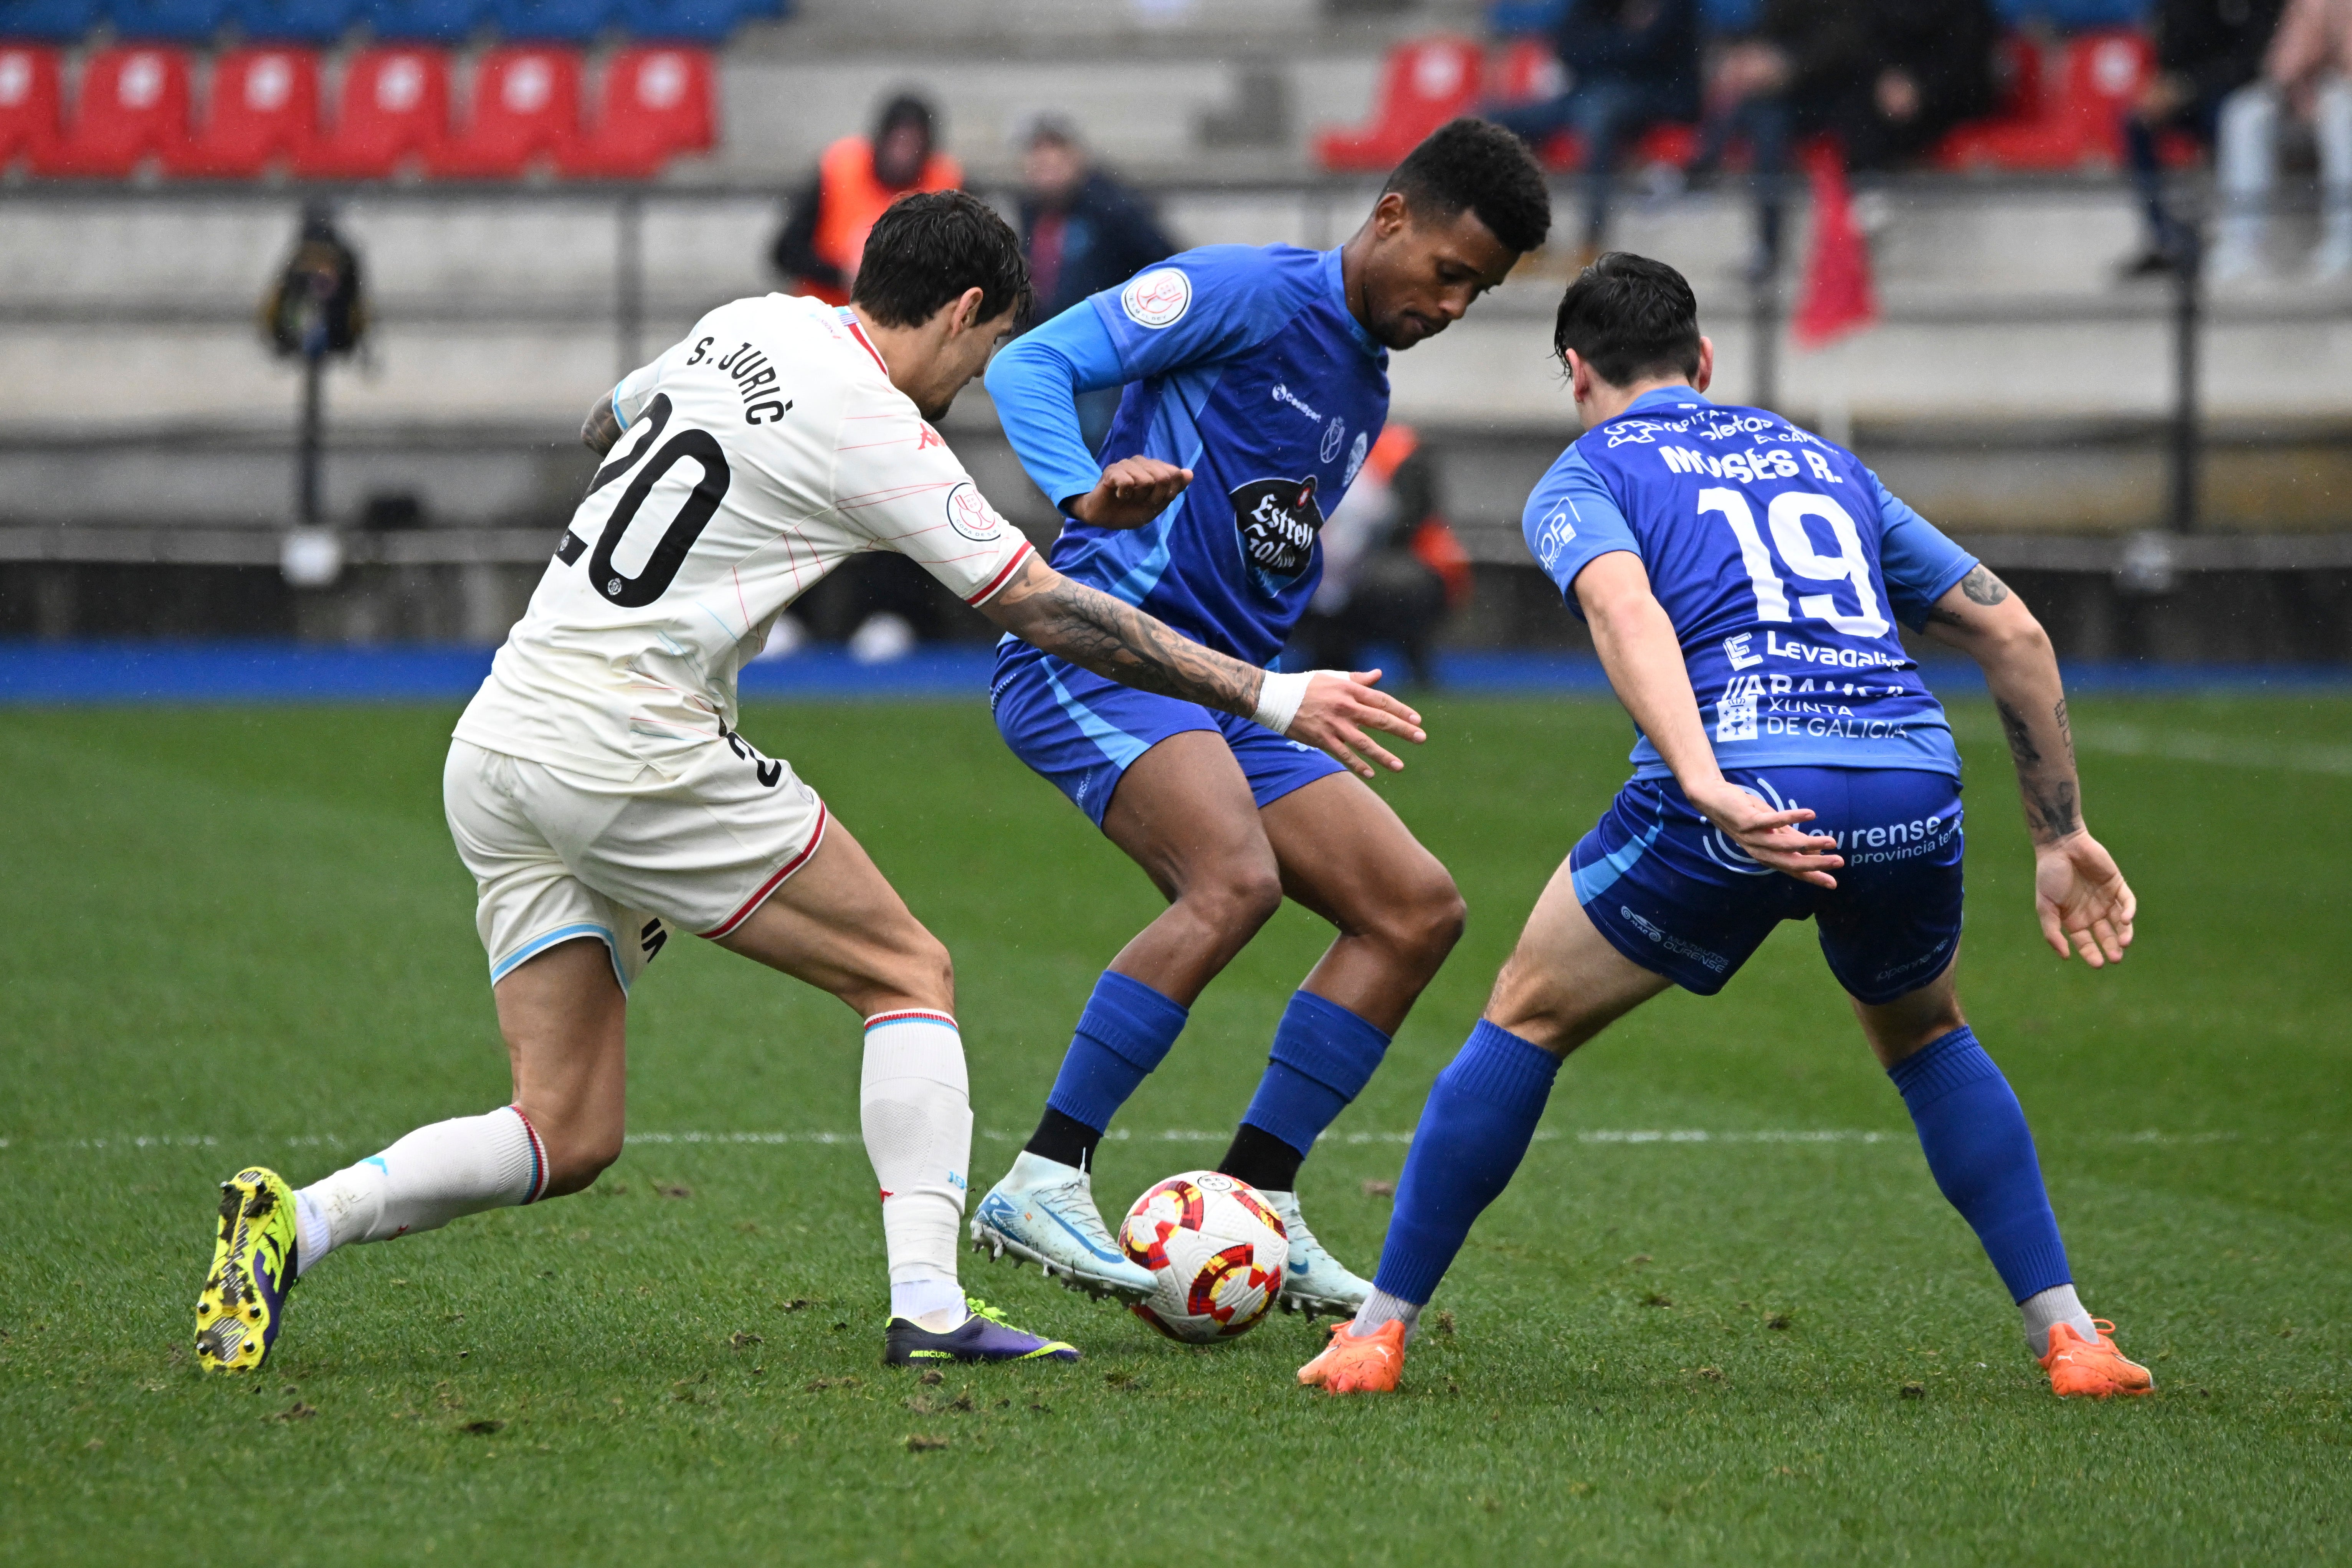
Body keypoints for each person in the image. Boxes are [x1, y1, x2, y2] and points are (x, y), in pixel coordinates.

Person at [191, 191, 1424, 1376]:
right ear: (962, 311)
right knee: (907, 971)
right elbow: (1043, 606)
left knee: (565, 1129)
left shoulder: (752, 319)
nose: (971, 381)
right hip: (632, 744)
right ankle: (933, 1308)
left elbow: (607, 418)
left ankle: (297, 1220)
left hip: (502, 737)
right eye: (983, 347)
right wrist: (1268, 694)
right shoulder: (882, 429)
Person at [1298, 254, 2151, 1402]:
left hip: (1738, 783)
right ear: (1702, 362)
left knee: (1525, 1011)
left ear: (1573, 372)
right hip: (1904, 782)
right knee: (1924, 1031)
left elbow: (1622, 606)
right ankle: (2072, 1338)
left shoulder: (1584, 471)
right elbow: (2015, 637)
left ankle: (1374, 1334)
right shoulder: (1823, 462)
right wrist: (2058, 834)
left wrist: (1704, 778)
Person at [966, 119, 1551, 1316]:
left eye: (1477, 294)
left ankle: (1258, 1199)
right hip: (1097, 657)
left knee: (1413, 909)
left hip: (1223, 695)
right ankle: (1042, 1171)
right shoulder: (1242, 291)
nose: (1452, 306)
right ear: (1391, 212)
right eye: (1448, 271)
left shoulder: (1364, 382)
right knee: (1230, 880)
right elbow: (1029, 364)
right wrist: (1080, 483)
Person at [1694, 0, 1997, 273]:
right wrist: (1754, 59)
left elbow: (1853, 41)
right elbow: (1775, 32)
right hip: (1819, 90)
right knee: (1761, 114)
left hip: (1857, 92)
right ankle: (1757, 233)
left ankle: (1868, 189)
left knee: (1859, 116)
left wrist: (1919, 88)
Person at [1487, 0, 1701, 262]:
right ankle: (1526, 237)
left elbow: (1653, 52)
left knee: (1598, 114)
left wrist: (1604, 49)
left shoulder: (1675, 5)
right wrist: (1622, 42)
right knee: (1498, 121)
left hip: (1659, 96)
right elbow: (1568, 48)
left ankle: (1593, 239)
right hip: (1588, 93)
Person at [1016, 111, 1180, 451]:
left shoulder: (1112, 210)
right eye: (1038, 161)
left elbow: (1165, 264)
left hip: (1103, 360)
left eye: (1054, 158)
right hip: (1055, 357)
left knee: (1100, 446)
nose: (1046, 170)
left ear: (1076, 159)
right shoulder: (1033, 216)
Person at [2116, 0, 2286, 278]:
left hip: (2239, 93)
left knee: (2233, 119)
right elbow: (2173, 49)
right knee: (2137, 121)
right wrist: (2163, 87)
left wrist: (2189, 87)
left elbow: (2252, 62)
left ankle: (2234, 238)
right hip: (2192, 92)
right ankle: (2164, 239)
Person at [1296, 424, 1464, 688]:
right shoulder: (1335, 448)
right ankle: (1331, 665)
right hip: (1349, 563)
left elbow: (1406, 520)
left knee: (1381, 588)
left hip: (1413, 564)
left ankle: (1409, 668)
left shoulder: (1392, 450)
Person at [2207, 0, 2352, 283]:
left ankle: (2345, 240)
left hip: (2340, 103)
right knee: (2244, 112)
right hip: (2306, 104)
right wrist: (2300, 82)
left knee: (2339, 108)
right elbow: (2281, 67)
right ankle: (2241, 247)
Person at [771, 93, 961, 307]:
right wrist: (842, 277)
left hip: (907, 328)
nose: (902, 156)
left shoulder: (947, 184)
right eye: (897, 142)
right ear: (879, 140)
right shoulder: (837, 170)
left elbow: (963, 266)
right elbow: (786, 252)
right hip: (827, 317)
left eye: (912, 145)